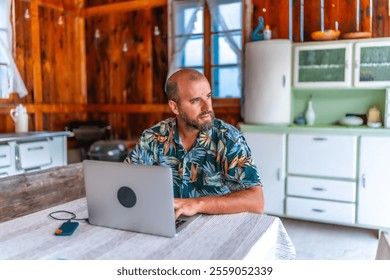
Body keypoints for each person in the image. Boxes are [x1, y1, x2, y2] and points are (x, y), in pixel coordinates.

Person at [125, 69, 264, 219]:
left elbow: (256, 201)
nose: (207, 108)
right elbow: (126, 184)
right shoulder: (153, 137)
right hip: (169, 222)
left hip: (216, 227)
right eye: (195, 100)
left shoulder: (228, 138)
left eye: (208, 96)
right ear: (174, 107)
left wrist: (197, 204)